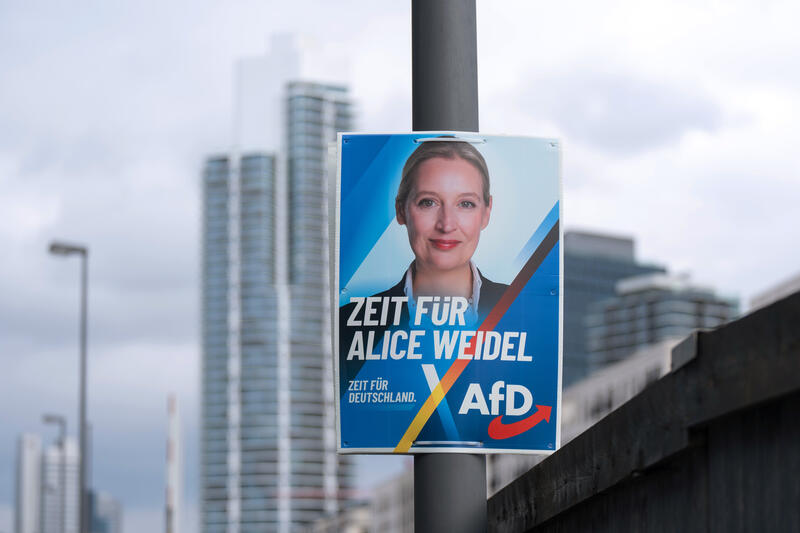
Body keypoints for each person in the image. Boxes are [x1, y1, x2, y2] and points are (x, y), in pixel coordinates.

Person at [340, 140, 508, 340]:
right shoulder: (350, 323)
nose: (446, 225)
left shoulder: (523, 313)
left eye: (465, 203)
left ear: (486, 212)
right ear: (401, 210)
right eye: (428, 202)